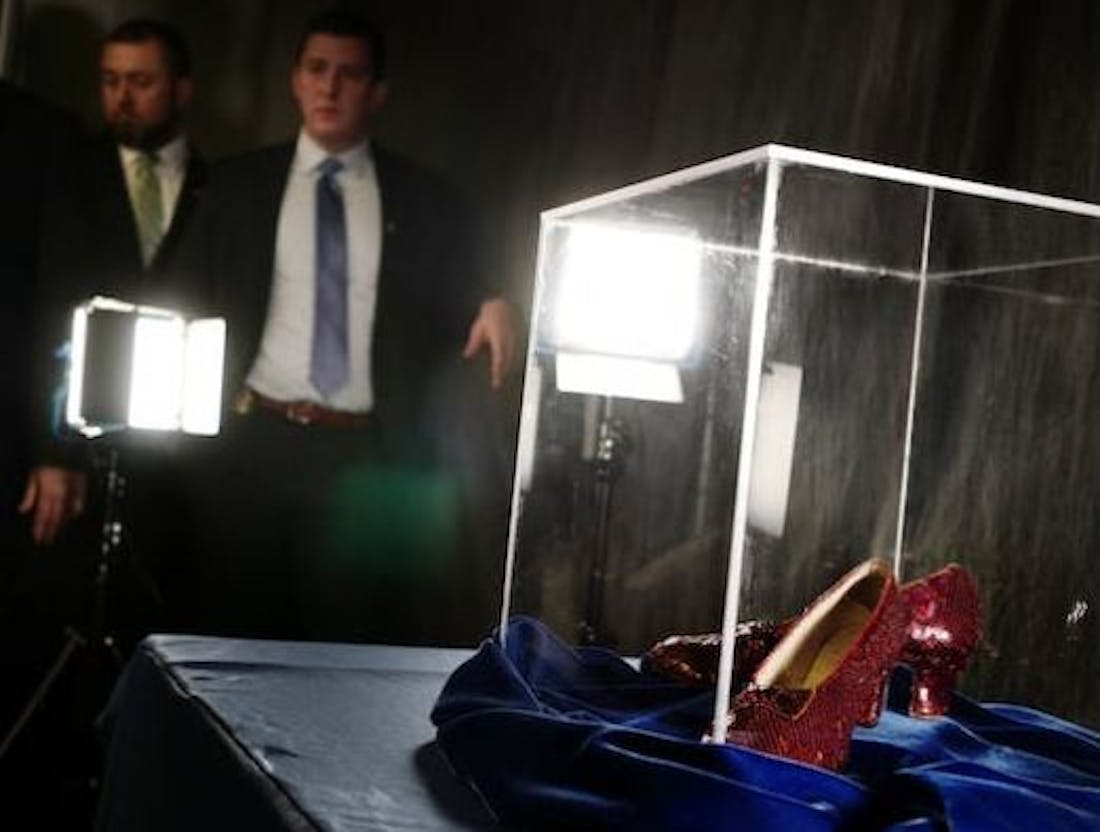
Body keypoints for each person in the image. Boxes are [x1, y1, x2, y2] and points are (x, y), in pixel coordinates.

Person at [199, 7, 515, 643]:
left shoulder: (426, 198)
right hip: (252, 439)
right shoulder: (233, 186)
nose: (329, 87)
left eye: (348, 75)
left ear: (377, 93)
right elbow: (188, 293)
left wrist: (492, 299)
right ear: (295, 81)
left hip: (367, 454)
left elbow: (456, 288)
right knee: (232, 635)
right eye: (316, 70)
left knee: (345, 641)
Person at [20, 19, 209, 643]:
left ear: (181, 89)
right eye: (110, 82)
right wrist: (56, 448)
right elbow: (46, 308)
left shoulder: (220, 184)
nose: (122, 97)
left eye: (141, 81)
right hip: (84, 437)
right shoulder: (64, 171)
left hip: (181, 454)